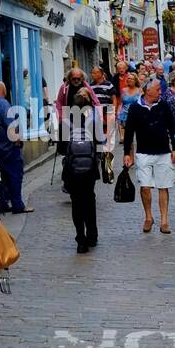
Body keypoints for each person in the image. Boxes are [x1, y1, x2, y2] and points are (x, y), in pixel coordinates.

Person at [123, 79, 175, 235]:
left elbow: (172, 127)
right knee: (145, 187)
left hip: (163, 152)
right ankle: (148, 217)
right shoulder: (135, 108)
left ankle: (164, 221)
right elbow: (128, 131)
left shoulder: (163, 106)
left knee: (163, 185)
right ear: (148, 91)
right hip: (143, 152)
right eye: (158, 90)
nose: (160, 92)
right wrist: (127, 153)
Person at [0, 82, 32, 215]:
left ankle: (2, 204)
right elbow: (12, 128)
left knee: (0, 179)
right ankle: (17, 204)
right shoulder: (4, 105)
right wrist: (18, 142)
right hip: (8, 149)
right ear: (4, 90)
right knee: (15, 176)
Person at [62, 88, 100, 253]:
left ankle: (80, 239)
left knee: (76, 203)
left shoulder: (65, 119)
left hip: (72, 169)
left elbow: (62, 148)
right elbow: (99, 141)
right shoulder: (92, 118)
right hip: (90, 168)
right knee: (89, 200)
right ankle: (92, 235)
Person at [117, 71, 141, 145]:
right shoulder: (123, 90)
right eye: (128, 78)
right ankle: (129, 153)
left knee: (139, 137)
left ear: (135, 81)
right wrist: (118, 112)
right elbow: (121, 103)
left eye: (132, 79)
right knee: (128, 139)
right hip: (125, 114)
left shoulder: (140, 90)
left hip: (137, 115)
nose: (129, 80)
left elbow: (142, 104)